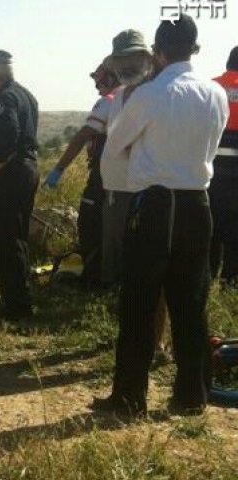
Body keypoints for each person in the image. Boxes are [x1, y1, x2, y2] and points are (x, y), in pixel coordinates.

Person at [93, 14, 229, 416]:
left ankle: (130, 397)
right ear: (196, 49)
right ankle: (191, 396)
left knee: (139, 301)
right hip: (197, 204)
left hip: (154, 205)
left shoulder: (152, 94)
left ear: (158, 52)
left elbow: (115, 143)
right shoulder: (215, 93)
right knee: (190, 303)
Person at [44, 62, 120, 287]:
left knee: (89, 221)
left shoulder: (109, 101)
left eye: (98, 80)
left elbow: (82, 135)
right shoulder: (133, 99)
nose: (97, 86)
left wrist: (59, 168)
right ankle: (109, 276)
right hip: (126, 176)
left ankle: (94, 277)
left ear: (109, 77)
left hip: (103, 174)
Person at [97, 30, 155, 287]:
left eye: (134, 58)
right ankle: (111, 294)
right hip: (115, 186)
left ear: (147, 59)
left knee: (137, 248)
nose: (128, 65)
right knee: (113, 243)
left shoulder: (155, 92)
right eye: (122, 59)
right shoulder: (120, 93)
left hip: (141, 187)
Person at [0, 50, 39, 320]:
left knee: (5, 239)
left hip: (14, 170)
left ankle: (16, 306)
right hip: (28, 168)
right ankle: (21, 298)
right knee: (17, 236)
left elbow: (7, 130)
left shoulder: (6, 97)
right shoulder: (27, 95)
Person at [210, 46, 238, 287]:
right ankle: (230, 281)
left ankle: (204, 278)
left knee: (211, 228)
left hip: (210, 171)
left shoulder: (210, 87)